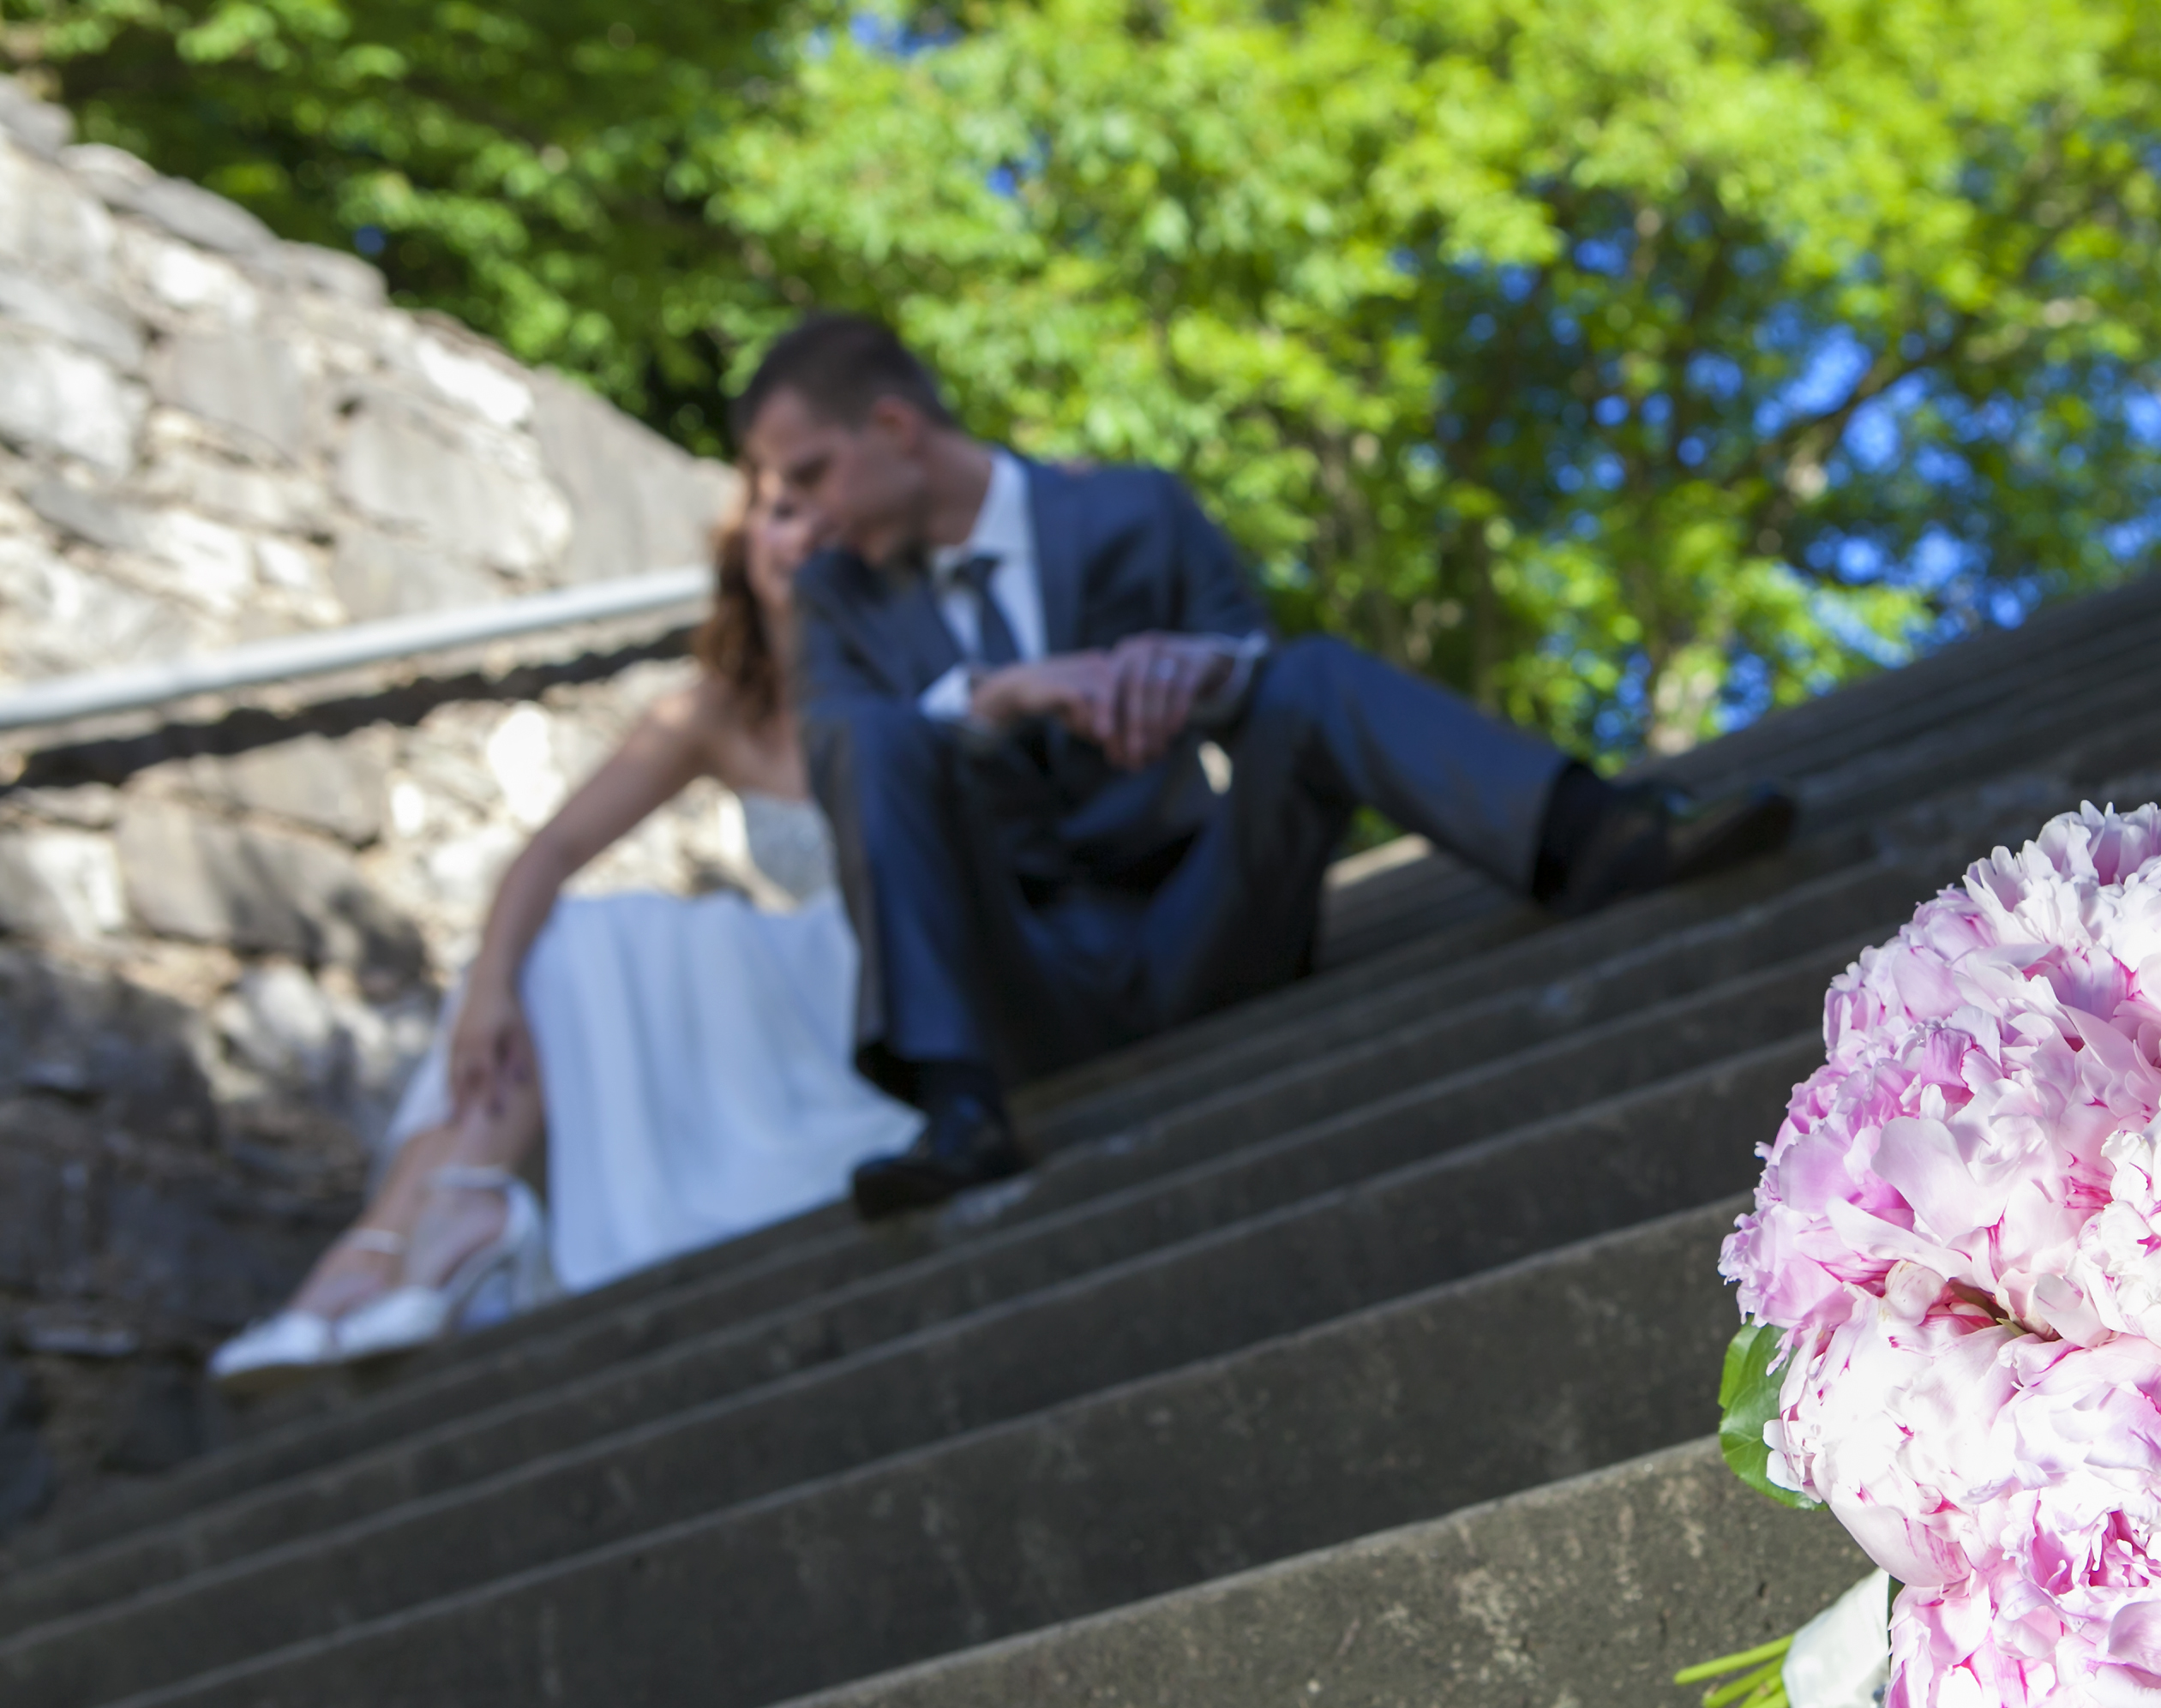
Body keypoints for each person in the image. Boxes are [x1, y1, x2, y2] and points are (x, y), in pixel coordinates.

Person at [736, 315, 1798, 1220]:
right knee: (873, 737)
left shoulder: (1130, 508)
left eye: (810, 472)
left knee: (1308, 677)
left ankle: (1598, 836)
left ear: (891, 425)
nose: (804, 515)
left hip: (1208, 922)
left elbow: (1252, 659)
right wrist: (1005, 690)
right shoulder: (838, 598)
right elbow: (837, 738)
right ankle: (958, 1110)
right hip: (1024, 983)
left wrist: (1205, 671)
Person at [209, 476, 923, 1392]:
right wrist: (487, 993)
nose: (807, 534)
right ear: (745, 543)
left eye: (831, 509)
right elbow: (549, 852)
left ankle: (382, 1259)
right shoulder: (712, 712)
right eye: (784, 512)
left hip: (880, 986)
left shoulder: (923, 661)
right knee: (551, 948)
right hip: (789, 990)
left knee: (619, 938)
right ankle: (402, 1247)